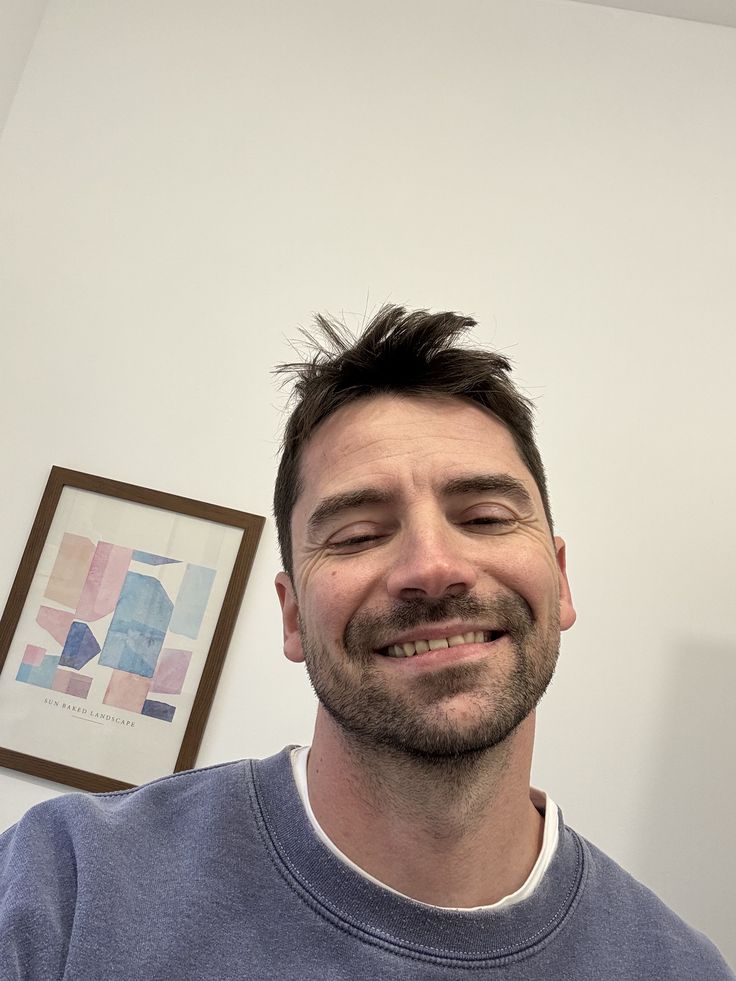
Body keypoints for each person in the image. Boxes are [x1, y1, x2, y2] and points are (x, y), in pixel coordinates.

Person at [0, 305, 732, 979]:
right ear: (293, 616)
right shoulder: (61, 884)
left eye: (484, 517)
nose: (432, 567)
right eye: (357, 534)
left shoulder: (682, 970)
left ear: (560, 581)